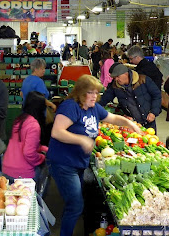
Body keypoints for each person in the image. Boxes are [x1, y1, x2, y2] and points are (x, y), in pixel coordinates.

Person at [47, 75, 140, 236]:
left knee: (74, 204)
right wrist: (82, 140)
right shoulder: (70, 107)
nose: (94, 96)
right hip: (64, 163)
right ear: (81, 93)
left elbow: (111, 118)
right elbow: (57, 132)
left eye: (96, 93)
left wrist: (129, 123)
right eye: (90, 93)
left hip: (78, 163)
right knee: (76, 205)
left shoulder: (93, 108)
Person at [99, 63, 162, 131]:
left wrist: (153, 112)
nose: (116, 79)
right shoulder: (115, 87)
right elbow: (104, 99)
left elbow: (157, 96)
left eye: (118, 76)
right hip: (132, 123)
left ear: (126, 74)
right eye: (114, 77)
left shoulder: (143, 80)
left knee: (151, 140)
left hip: (149, 121)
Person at [3, 91, 49, 180]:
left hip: (7, 166)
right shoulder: (34, 125)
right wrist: (42, 157)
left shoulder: (20, 120)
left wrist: (42, 148)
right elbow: (29, 153)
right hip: (22, 172)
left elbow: (23, 143)